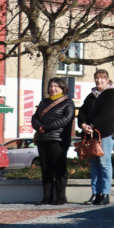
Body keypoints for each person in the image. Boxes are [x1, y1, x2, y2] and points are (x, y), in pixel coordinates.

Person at [77, 69, 114, 206]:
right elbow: (82, 110)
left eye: (102, 78)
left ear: (107, 80)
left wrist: (93, 124)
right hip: (91, 135)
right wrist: (83, 124)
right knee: (94, 165)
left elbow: (109, 113)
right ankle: (96, 193)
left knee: (104, 163)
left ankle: (105, 193)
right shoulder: (91, 96)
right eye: (97, 78)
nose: (99, 81)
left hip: (105, 134)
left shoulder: (112, 94)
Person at [31, 77, 76, 205]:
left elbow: (66, 119)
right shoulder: (44, 102)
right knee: (46, 169)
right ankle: (47, 197)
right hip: (43, 139)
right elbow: (35, 117)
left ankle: (60, 198)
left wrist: (46, 127)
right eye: (51, 86)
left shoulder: (68, 102)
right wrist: (38, 126)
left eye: (56, 86)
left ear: (62, 88)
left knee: (59, 168)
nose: (53, 88)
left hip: (58, 139)